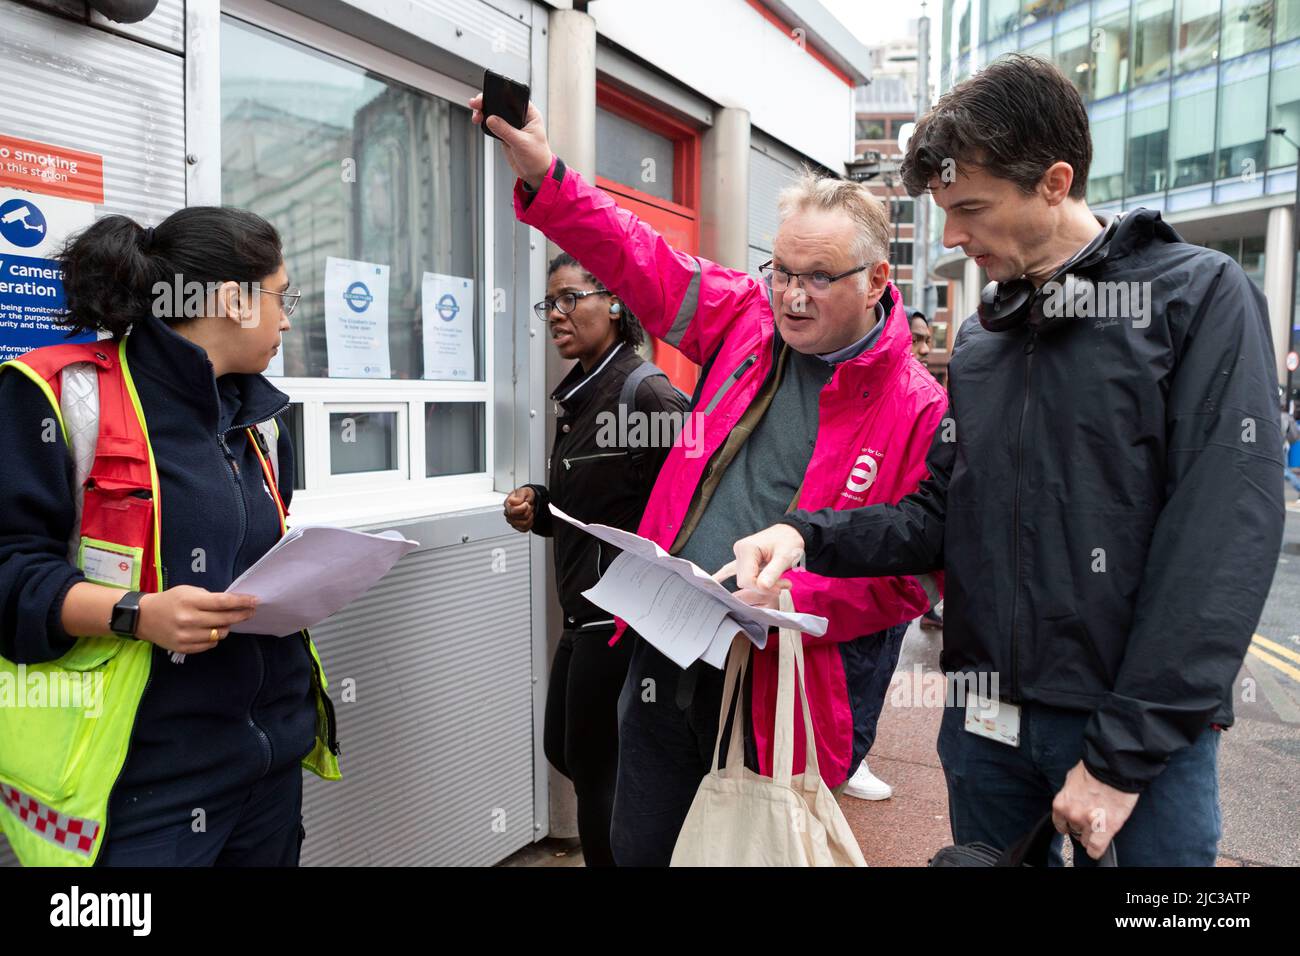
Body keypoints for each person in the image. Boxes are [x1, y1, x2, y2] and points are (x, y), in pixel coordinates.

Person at [728, 54, 1284, 866]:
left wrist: (1121, 758)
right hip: (983, 728)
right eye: (945, 211)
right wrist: (807, 535)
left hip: (1129, 745)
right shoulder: (985, 338)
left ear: (1055, 181)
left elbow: (1219, 548)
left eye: (971, 208)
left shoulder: (1198, 299)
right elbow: (944, 511)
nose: (952, 235)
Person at [471, 92, 947, 866]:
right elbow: (640, 258)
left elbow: (911, 577)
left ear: (875, 278)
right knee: (641, 845)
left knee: (751, 852)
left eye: (818, 278)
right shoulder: (745, 319)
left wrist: (791, 597)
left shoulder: (919, 408)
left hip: (783, 680)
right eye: (782, 271)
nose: (792, 296)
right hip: (667, 643)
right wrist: (547, 176)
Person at [0, 208, 340, 866]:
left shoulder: (261, 421)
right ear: (231, 301)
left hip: (266, 769)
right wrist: (134, 614)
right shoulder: (58, 396)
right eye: (282, 296)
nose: (289, 319)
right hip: (138, 788)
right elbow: (9, 570)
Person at [503, 252, 687, 866]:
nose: (555, 314)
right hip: (583, 610)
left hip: (622, 620)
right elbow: (603, 503)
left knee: (596, 768)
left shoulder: (646, 392)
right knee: (567, 749)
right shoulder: (580, 394)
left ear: (613, 301)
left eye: (568, 298)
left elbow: (693, 505)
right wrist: (541, 507)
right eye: (547, 303)